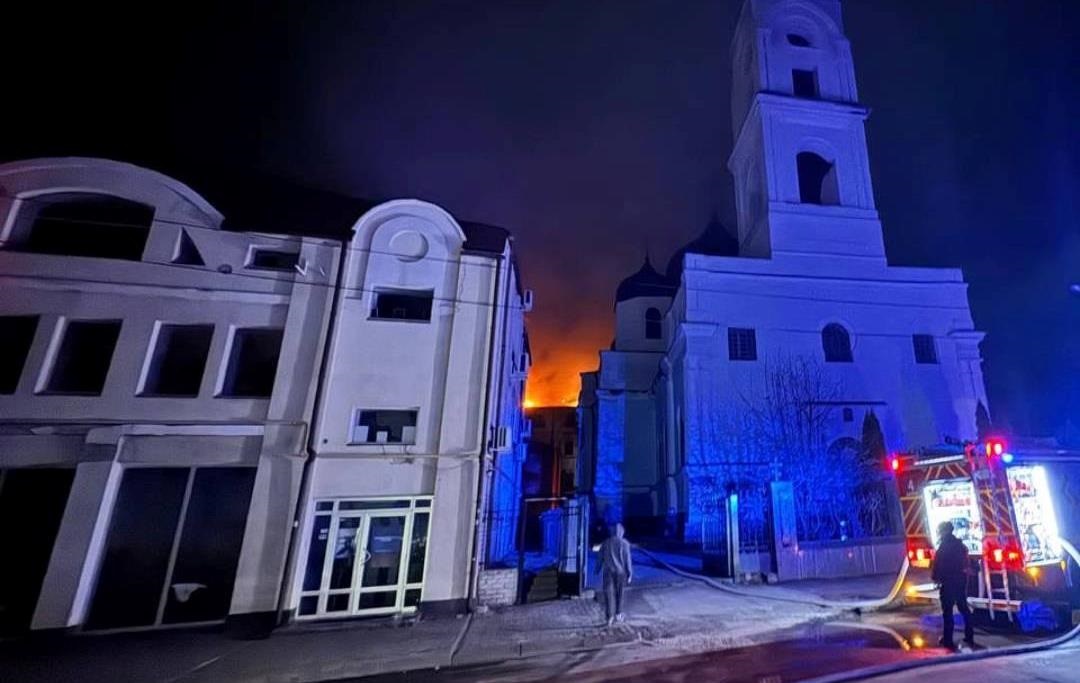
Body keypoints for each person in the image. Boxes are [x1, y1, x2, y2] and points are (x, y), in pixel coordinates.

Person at [931, 521, 976, 650]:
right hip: (960, 581)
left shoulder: (943, 547)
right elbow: (966, 562)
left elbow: (938, 564)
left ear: (944, 531)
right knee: (964, 608)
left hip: (948, 583)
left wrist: (935, 578)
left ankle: (948, 640)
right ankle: (969, 636)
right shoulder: (959, 545)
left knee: (947, 612)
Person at [598, 522, 633, 627]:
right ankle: (618, 614)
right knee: (620, 594)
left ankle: (609, 617)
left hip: (608, 572)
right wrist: (630, 573)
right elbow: (627, 560)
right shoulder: (625, 544)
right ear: (621, 532)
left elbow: (600, 558)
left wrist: (597, 569)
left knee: (608, 595)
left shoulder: (605, 543)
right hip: (620, 573)